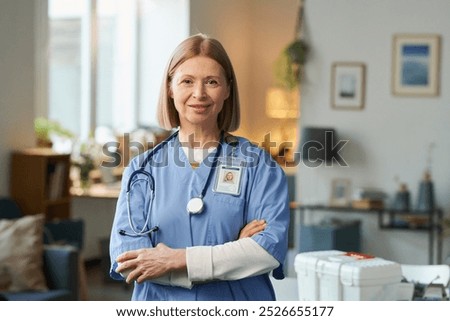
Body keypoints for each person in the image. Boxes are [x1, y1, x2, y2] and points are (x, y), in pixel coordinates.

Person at [109, 33, 290, 301]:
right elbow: (130, 263)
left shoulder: (259, 165)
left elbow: (265, 252)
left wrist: (175, 260)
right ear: (170, 88)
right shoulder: (141, 171)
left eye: (212, 82)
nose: (199, 94)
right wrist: (232, 252)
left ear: (227, 89)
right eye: (187, 81)